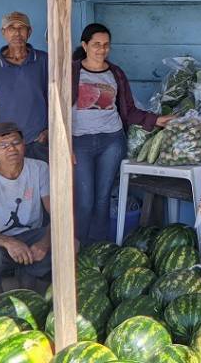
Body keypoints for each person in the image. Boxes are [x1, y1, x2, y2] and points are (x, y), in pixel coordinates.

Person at [72, 23, 171, 245]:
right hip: (80, 142)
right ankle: (78, 249)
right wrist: (64, 145)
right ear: (85, 45)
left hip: (111, 141)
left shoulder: (115, 73)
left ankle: (98, 249)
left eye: (106, 45)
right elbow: (57, 110)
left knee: (103, 198)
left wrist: (156, 120)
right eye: (96, 44)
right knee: (84, 200)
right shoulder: (72, 72)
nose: (102, 49)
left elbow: (129, 110)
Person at [0, 122, 52, 294]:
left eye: (16, 142)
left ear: (24, 145)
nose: (12, 149)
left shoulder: (40, 169)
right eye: (3, 145)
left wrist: (44, 243)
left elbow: (58, 215)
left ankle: (30, 277)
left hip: (30, 236)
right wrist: (10, 243)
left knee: (68, 243)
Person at [0, 11, 49, 162]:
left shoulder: (43, 59)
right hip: (7, 141)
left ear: (29, 32)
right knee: (11, 176)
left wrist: (49, 130)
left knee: (42, 176)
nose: (17, 33)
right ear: (3, 32)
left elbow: (52, 96)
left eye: (22, 28)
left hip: (38, 139)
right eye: (11, 28)